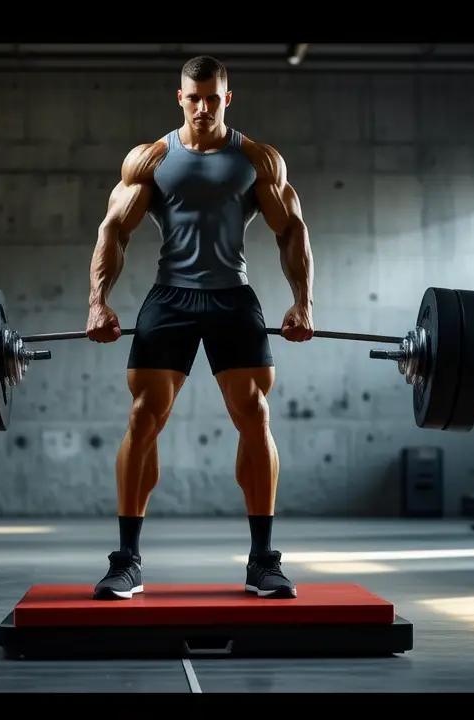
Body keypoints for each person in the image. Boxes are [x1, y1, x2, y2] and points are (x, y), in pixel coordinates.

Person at [84, 55, 314, 601]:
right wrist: (98, 303)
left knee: (254, 414)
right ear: (180, 98)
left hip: (233, 297)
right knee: (144, 416)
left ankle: (262, 561)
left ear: (227, 98)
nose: (204, 107)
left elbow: (292, 230)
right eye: (195, 97)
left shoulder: (257, 160)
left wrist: (303, 303)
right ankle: (127, 561)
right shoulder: (152, 159)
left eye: (214, 97)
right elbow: (114, 229)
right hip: (172, 298)